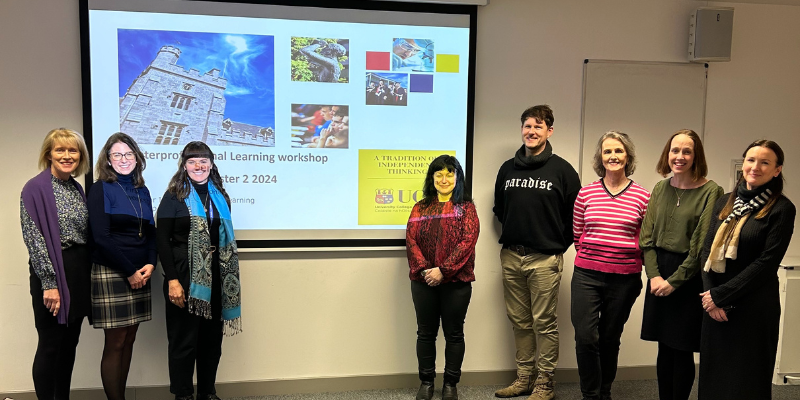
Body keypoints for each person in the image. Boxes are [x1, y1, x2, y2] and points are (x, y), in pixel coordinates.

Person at [493, 105, 581, 400]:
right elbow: (500, 210)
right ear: (522, 130)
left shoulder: (563, 170)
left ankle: (545, 383)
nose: (531, 131)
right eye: (527, 126)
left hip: (545, 260)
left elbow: (576, 216)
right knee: (520, 321)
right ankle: (523, 379)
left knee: (544, 323)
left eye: (538, 127)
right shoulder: (507, 168)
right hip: (511, 256)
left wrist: (555, 246)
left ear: (549, 131)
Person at [698, 140, 795, 400]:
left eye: (765, 162)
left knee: (747, 380)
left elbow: (766, 263)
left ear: (777, 170)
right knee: (713, 377)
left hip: (753, 308)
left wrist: (721, 295)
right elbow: (706, 252)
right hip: (715, 307)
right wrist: (711, 298)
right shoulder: (723, 202)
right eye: (751, 160)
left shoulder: (782, 208)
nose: (756, 166)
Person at [638, 129, 723, 400]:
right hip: (658, 271)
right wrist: (653, 276)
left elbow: (701, 245)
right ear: (668, 153)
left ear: (696, 155)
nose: (680, 156)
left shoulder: (712, 191)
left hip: (688, 276)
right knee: (664, 347)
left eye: (687, 151)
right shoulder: (660, 187)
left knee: (682, 348)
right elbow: (646, 238)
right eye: (675, 150)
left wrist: (673, 281)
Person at [157, 141, 242, 400]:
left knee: (211, 341)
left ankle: (207, 392)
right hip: (184, 276)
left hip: (218, 276)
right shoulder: (174, 196)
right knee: (184, 341)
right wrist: (172, 279)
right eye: (192, 161)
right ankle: (183, 395)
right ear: (184, 165)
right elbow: (162, 240)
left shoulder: (221, 196)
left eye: (203, 161)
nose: (198, 166)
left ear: (212, 164)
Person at [571, 132, 650, 400]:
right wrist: (594, 258)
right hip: (587, 276)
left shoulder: (642, 197)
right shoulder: (586, 193)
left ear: (628, 156)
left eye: (618, 151)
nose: (613, 156)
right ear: (600, 157)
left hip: (624, 279)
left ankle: (604, 392)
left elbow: (645, 238)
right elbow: (577, 234)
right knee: (585, 337)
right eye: (607, 151)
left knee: (609, 338)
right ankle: (590, 394)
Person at [20, 128, 91, 399]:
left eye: (73, 150)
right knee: (50, 344)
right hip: (51, 272)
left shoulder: (76, 188)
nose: (66, 155)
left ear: (80, 155)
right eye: (60, 150)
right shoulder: (35, 188)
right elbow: (34, 239)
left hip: (77, 270)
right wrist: (49, 284)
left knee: (70, 343)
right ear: (49, 153)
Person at [87, 133, 156, 400]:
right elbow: (101, 237)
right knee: (115, 343)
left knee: (129, 339)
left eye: (129, 154)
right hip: (112, 272)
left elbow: (150, 232)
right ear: (108, 159)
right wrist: (130, 272)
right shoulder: (100, 188)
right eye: (117, 154)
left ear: (137, 158)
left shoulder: (142, 191)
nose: (124, 159)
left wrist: (151, 262)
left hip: (140, 272)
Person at [407, 155, 479, 400]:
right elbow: (411, 240)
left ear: (457, 177)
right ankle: (426, 382)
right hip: (423, 281)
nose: (444, 179)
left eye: (449, 173)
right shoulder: (420, 207)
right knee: (425, 334)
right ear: (432, 178)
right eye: (439, 174)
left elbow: (467, 242)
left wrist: (444, 271)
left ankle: (450, 384)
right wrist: (427, 270)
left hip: (457, 282)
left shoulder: (467, 208)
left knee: (454, 334)